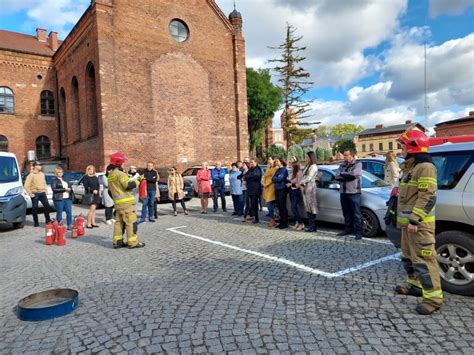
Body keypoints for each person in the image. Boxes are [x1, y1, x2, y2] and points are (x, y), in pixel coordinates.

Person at [395, 129, 442, 315]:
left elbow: (428, 196)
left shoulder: (425, 168)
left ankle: (433, 299)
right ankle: (415, 285)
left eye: (403, 147)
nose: (401, 150)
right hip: (409, 226)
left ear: (412, 148)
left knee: (424, 260)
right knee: (408, 257)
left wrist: (415, 219)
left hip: (419, 226)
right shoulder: (410, 168)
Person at [107, 152, 145, 249]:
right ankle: (132, 242)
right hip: (126, 203)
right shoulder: (121, 174)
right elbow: (128, 185)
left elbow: (109, 191)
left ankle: (117, 242)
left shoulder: (111, 175)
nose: (124, 163)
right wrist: (138, 180)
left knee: (119, 222)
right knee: (131, 222)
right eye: (123, 161)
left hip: (117, 203)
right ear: (119, 162)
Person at [334, 150, 363, 239]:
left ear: (351, 155)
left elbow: (354, 175)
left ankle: (358, 232)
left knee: (356, 213)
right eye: (344, 155)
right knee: (346, 213)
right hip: (344, 192)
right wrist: (345, 175)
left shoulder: (357, 164)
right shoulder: (342, 165)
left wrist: (343, 175)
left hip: (354, 192)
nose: (344, 157)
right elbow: (337, 176)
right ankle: (347, 229)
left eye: (346, 155)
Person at [24, 161, 51, 227]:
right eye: (39, 165)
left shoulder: (42, 174)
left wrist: (45, 189)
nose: (41, 166)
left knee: (47, 206)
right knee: (35, 208)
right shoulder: (31, 175)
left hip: (42, 193)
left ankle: (48, 220)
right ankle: (36, 222)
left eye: (41, 165)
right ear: (35, 166)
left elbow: (44, 182)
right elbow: (26, 186)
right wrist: (30, 194)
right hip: (35, 193)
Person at [301, 152, 319, 232]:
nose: (306, 158)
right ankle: (311, 225)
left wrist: (301, 182)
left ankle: (313, 226)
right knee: (308, 205)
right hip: (306, 185)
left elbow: (309, 177)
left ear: (311, 157)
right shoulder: (308, 165)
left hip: (310, 186)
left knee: (311, 205)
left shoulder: (313, 166)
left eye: (307, 157)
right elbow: (304, 176)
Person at [272, 158, 289, 229]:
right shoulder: (278, 170)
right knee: (279, 206)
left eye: (277, 161)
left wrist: (276, 178)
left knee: (282, 206)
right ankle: (281, 221)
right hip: (277, 189)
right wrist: (276, 178)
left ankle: (285, 223)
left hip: (282, 189)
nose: (276, 162)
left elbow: (280, 178)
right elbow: (273, 179)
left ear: (281, 162)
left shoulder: (284, 170)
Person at [244, 158, 262, 224]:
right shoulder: (251, 169)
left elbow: (257, 176)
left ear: (256, 162)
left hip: (255, 189)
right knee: (251, 204)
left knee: (255, 204)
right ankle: (253, 216)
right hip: (250, 189)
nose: (251, 164)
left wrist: (249, 176)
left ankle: (257, 218)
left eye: (252, 162)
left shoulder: (258, 169)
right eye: (250, 162)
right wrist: (250, 176)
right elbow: (245, 176)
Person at [288, 160, 304, 231]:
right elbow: (289, 179)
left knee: (294, 208)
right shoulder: (293, 172)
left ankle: (301, 223)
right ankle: (297, 222)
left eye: (292, 166)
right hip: (292, 191)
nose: (291, 167)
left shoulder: (299, 173)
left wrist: (291, 184)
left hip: (296, 191)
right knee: (293, 208)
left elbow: (299, 184)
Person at [262, 157, 277, 227]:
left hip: (271, 186)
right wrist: (263, 183)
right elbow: (264, 176)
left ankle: (272, 219)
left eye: (270, 159)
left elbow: (273, 177)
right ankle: (272, 218)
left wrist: (267, 184)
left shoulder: (275, 168)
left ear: (274, 160)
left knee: (269, 203)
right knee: (269, 204)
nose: (269, 161)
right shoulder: (268, 167)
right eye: (268, 159)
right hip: (266, 187)